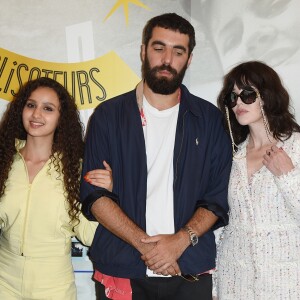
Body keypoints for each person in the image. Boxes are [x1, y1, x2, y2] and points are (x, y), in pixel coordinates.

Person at [80, 13, 232, 300]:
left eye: (178, 51)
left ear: (189, 59)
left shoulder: (210, 119)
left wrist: (179, 242)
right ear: (143, 50)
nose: (167, 59)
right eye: (159, 48)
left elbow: (217, 196)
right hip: (122, 267)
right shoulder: (108, 116)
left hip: (189, 269)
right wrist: (151, 248)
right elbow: (94, 196)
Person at [0, 77, 112, 299]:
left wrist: (106, 196)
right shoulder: (4, 162)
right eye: (31, 105)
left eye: (48, 108)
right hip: (4, 282)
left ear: (61, 118)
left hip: (53, 287)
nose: (36, 114)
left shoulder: (75, 170)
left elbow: (91, 236)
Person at [216, 61, 300, 299]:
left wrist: (288, 176)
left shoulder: (296, 147)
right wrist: (217, 285)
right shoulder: (234, 156)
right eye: (232, 97)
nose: (238, 103)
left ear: (267, 96)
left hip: (288, 285)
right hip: (235, 285)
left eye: (248, 94)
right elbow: (229, 227)